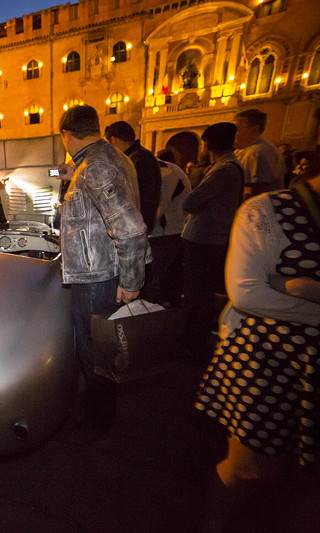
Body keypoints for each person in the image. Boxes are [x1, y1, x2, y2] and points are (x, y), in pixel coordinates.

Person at [195, 153, 320, 530]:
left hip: (272, 348)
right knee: (253, 470)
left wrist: (296, 286)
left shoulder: (228, 176)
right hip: (272, 362)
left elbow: (191, 204)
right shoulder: (267, 209)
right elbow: (248, 292)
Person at [53, 105, 149, 433]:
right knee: (103, 349)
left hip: (99, 276)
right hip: (106, 269)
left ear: (66, 133)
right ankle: (100, 410)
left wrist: (132, 279)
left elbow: (131, 228)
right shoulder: (113, 157)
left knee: (94, 353)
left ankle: (97, 422)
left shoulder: (95, 168)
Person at [181, 122, 245, 360]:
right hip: (213, 237)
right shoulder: (231, 167)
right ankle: (194, 336)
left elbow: (190, 202)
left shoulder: (224, 169)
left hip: (204, 238)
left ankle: (194, 341)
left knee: (199, 292)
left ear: (208, 144)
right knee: (201, 291)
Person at [143, 149, 192, 306]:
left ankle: (152, 320)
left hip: (165, 234)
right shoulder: (165, 169)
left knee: (152, 280)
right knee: (169, 281)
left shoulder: (165, 172)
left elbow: (156, 211)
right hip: (171, 232)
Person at [104, 120, 162, 235]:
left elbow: (131, 193)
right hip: (140, 222)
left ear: (114, 140)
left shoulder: (134, 159)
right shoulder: (141, 155)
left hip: (135, 225)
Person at [233, 109, 286, 197]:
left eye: (236, 129)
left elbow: (256, 191)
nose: (232, 134)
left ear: (254, 129)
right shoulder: (243, 150)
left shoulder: (258, 152)